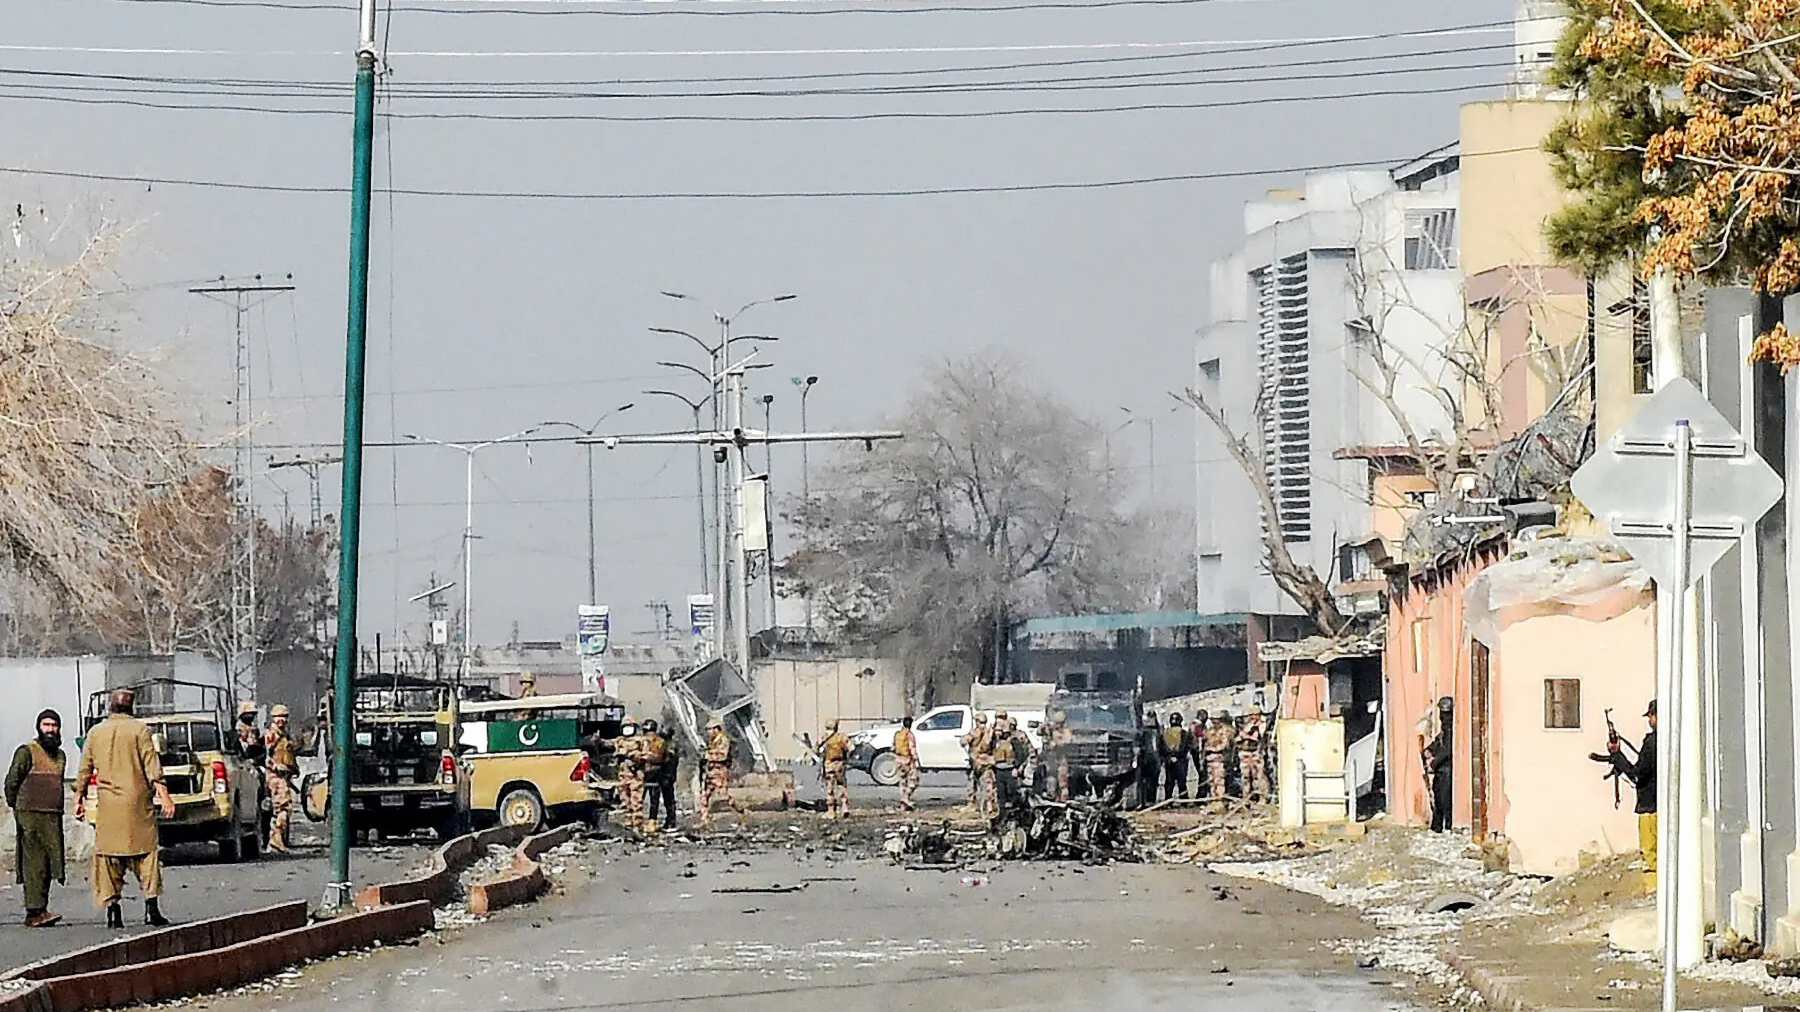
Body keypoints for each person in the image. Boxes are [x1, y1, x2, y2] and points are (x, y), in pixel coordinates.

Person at [75, 689, 175, 929]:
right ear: (133, 708)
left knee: (108, 857)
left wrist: (78, 797)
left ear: (110, 707)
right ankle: (152, 907)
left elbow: (84, 769)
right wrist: (164, 796)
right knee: (146, 855)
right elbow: (152, 766)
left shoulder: (95, 733)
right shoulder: (140, 730)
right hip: (137, 804)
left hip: (108, 806)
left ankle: (113, 910)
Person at [6, 710, 67, 927]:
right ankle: (34, 912)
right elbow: (11, 782)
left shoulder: (60, 756)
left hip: (52, 816)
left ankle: (41, 909)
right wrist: (19, 808)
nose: (50, 729)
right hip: (30, 816)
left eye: (54, 725)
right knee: (34, 864)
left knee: (50, 864)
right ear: (38, 727)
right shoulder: (26, 752)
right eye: (46, 725)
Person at [1607, 699, 1658, 889]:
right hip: (1665, 808)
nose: (1649, 721)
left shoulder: (1652, 743)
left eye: (1651, 716)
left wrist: (1618, 757)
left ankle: (1652, 892)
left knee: (1650, 859)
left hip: (1649, 808)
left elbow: (1637, 775)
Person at [698, 719, 746, 830]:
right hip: (711, 771)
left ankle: (741, 811)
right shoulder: (713, 741)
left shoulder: (723, 740)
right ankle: (704, 820)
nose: (709, 732)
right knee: (704, 795)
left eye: (711, 729)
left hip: (719, 771)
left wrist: (708, 756)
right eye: (708, 729)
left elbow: (723, 756)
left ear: (717, 729)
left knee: (724, 796)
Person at [264, 704, 298, 853]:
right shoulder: (272, 735)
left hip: (284, 776)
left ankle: (278, 839)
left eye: (284, 717)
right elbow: (265, 756)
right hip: (276, 776)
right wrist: (276, 766)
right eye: (279, 717)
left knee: (283, 808)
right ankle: (275, 840)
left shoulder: (284, 735)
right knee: (283, 808)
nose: (281, 720)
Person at [1424, 696, 1455, 833]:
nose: (1443, 716)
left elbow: (1447, 751)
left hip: (1447, 770)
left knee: (1445, 800)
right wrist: (1429, 750)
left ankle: (1447, 826)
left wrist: (1433, 763)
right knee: (1437, 799)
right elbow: (1438, 742)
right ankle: (1436, 827)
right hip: (1440, 770)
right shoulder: (1444, 730)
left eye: (1445, 713)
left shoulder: (1452, 730)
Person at [613, 718, 649, 833]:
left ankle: (638, 824)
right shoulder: (619, 741)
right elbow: (608, 744)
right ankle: (628, 824)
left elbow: (645, 756)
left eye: (630, 726)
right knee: (625, 801)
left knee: (636, 801)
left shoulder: (641, 741)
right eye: (625, 727)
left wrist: (631, 755)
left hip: (635, 776)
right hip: (623, 776)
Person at [646, 720, 680, 829]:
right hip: (660, 774)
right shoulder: (661, 743)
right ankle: (654, 820)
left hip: (667, 775)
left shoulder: (670, 745)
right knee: (655, 797)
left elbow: (669, 761)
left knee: (668, 798)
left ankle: (671, 820)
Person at [638, 719, 669, 833]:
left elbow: (660, 757)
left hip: (654, 771)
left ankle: (651, 821)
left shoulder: (659, 742)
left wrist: (646, 757)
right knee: (640, 797)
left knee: (653, 797)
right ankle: (641, 820)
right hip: (644, 771)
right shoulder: (642, 741)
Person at [958, 712, 992, 812]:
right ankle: (989, 805)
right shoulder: (990, 731)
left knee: (973, 784)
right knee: (988, 784)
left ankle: (971, 804)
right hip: (986, 761)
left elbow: (964, 741)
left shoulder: (976, 732)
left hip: (977, 761)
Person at [1202, 710, 1236, 809]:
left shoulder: (1226, 731)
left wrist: (1212, 749)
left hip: (1219, 759)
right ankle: (1214, 799)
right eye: (1213, 720)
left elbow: (1224, 745)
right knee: (1212, 781)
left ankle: (1220, 800)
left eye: (1217, 720)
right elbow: (1206, 744)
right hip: (1210, 759)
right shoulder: (1210, 731)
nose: (1215, 722)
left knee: (1219, 780)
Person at [820, 720, 852, 819]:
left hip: (829, 764)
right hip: (840, 764)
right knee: (841, 785)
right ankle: (844, 807)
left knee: (830, 788)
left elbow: (819, 750)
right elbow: (851, 748)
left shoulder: (824, 738)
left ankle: (831, 811)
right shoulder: (841, 737)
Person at [1236, 712, 1271, 802]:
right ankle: (1246, 797)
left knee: (1259, 776)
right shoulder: (1246, 726)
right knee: (1246, 777)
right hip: (1245, 754)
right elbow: (1238, 738)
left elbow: (1258, 737)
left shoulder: (1262, 725)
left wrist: (1248, 734)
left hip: (1256, 753)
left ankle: (1262, 797)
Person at [1159, 713, 1193, 801]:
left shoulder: (1165, 733)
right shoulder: (1183, 732)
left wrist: (1168, 757)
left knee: (1169, 781)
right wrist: (1178, 756)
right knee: (1181, 781)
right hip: (1180, 759)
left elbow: (1161, 747)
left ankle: (1168, 800)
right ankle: (1183, 800)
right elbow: (1186, 746)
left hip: (1169, 760)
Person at [892, 716, 921, 812]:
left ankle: (903, 805)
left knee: (902, 782)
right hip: (908, 760)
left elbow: (893, 747)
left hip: (899, 760)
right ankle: (905, 798)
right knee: (914, 782)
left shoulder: (898, 734)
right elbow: (912, 748)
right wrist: (916, 759)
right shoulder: (909, 735)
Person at [1048, 711, 1076, 802]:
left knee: (1063, 784)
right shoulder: (1053, 731)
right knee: (1052, 784)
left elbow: (1067, 742)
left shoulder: (1067, 732)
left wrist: (1056, 743)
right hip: (1053, 761)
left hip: (1062, 760)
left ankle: (1063, 801)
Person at [1135, 712, 1160, 808]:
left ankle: (1151, 800)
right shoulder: (1141, 732)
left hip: (1155, 757)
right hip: (1144, 757)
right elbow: (1137, 744)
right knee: (1141, 781)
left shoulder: (1157, 731)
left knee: (1153, 780)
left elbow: (1160, 744)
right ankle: (1141, 802)